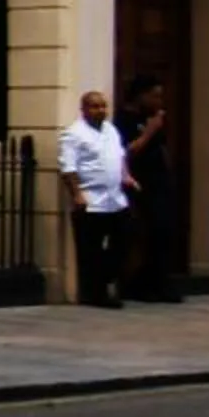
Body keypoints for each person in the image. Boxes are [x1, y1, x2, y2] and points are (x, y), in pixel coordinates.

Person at [59, 86, 134, 308]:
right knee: (90, 251)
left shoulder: (110, 130)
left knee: (125, 239)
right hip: (91, 201)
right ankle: (96, 295)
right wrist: (77, 194)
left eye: (103, 106)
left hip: (116, 198)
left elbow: (120, 155)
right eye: (94, 106)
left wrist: (126, 175)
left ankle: (110, 278)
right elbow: (68, 167)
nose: (100, 110)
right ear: (83, 109)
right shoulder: (74, 134)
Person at [120, 75, 187, 301]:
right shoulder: (126, 120)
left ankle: (160, 282)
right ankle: (138, 284)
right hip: (140, 184)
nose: (159, 101)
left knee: (164, 233)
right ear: (141, 95)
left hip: (160, 184)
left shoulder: (152, 118)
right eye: (154, 96)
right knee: (144, 234)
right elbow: (126, 152)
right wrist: (148, 132)